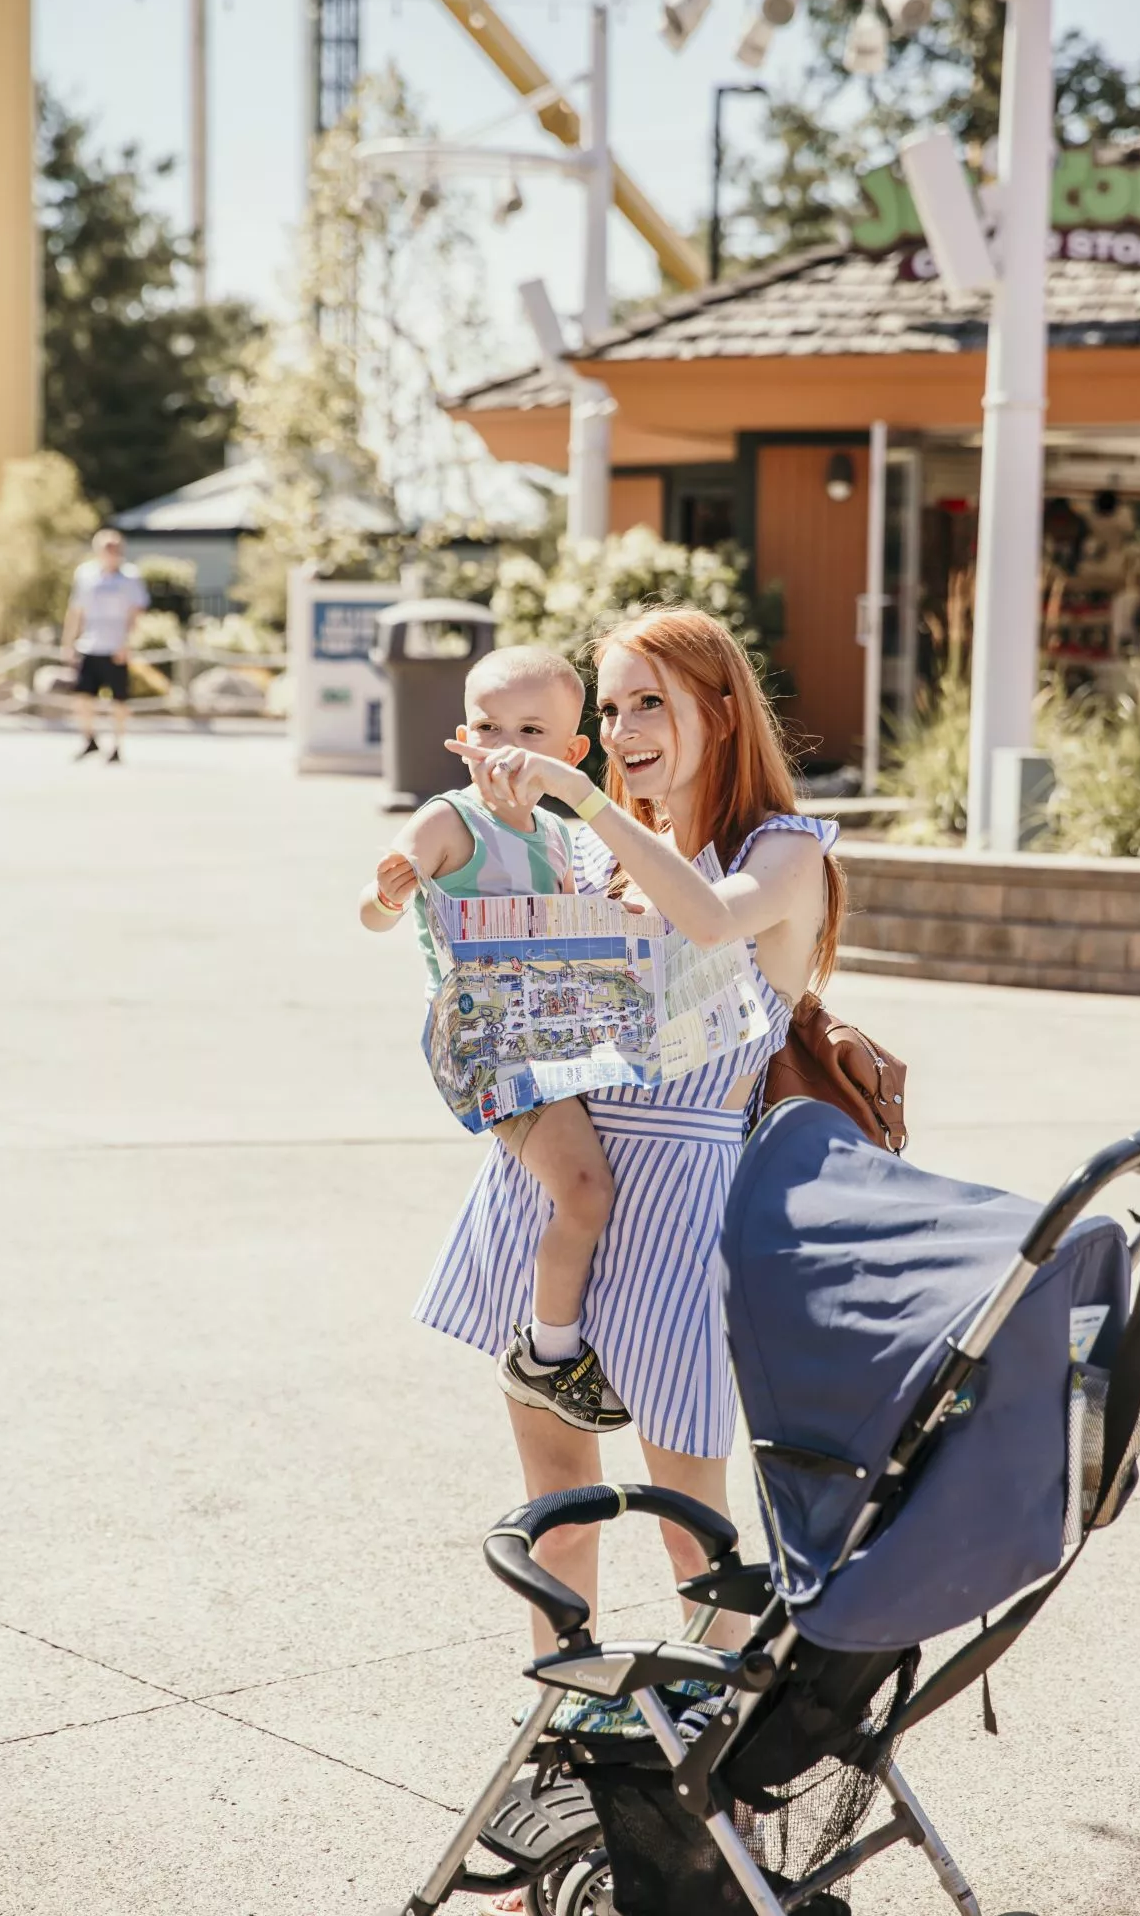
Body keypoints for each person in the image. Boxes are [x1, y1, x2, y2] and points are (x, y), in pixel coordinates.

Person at [417, 605, 843, 1692]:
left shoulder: (781, 851)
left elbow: (706, 918)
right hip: (556, 1187)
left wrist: (585, 800)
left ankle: (701, 1799)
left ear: (719, 706)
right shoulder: (591, 858)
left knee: (693, 1537)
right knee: (556, 1528)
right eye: (606, 709)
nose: (623, 727)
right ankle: (566, 1768)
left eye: (648, 699)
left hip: (679, 1202)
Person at [359, 646, 627, 1432]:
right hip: (489, 1042)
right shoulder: (449, 818)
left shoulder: (555, 835)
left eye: (531, 731)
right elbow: (373, 913)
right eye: (488, 726)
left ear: (572, 755)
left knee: (597, 1183)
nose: (504, 746)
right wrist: (384, 892)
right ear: (460, 735)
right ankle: (547, 1353)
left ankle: (560, 1327)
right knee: (586, 1191)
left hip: (552, 1031)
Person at [62, 530, 149, 764]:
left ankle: (117, 746)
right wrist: (68, 642)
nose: (111, 553)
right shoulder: (86, 575)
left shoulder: (130, 577)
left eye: (115, 548)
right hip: (90, 644)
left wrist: (127, 644)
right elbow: (76, 610)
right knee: (82, 697)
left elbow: (136, 614)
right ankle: (89, 739)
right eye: (106, 548)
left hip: (115, 647)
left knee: (118, 700)